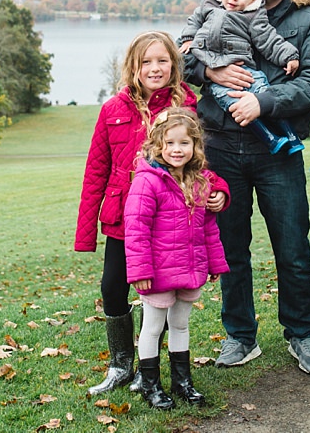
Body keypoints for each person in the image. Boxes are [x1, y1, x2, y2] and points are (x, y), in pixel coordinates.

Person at [183, 0, 310, 374]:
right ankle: (239, 336)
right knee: (232, 247)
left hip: (278, 149)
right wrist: (209, 69)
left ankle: (303, 335)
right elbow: (182, 53)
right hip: (221, 144)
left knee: (291, 246)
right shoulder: (219, 5)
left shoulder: (308, 21)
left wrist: (262, 103)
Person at [74, 31, 227, 396]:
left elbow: (199, 161)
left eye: (162, 61)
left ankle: (149, 370)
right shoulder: (113, 109)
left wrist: (219, 189)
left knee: (155, 294)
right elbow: (96, 171)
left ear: (174, 65)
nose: (155, 68)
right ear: (134, 66)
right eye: (147, 62)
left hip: (166, 221)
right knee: (113, 287)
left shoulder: (185, 106)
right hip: (121, 218)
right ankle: (120, 364)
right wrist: (85, 234)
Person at [124, 109, 230, 410]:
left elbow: (208, 227)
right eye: (169, 143)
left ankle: (182, 382)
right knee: (154, 327)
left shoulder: (200, 181)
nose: (176, 150)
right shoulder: (148, 181)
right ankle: (150, 384)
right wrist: (140, 270)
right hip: (156, 271)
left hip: (190, 267)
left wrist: (215, 263)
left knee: (181, 324)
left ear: (195, 146)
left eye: (184, 143)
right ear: (158, 145)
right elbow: (136, 229)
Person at [178, 0, 303, 154]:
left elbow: (268, 38)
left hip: (244, 69)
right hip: (213, 69)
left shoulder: (252, 16)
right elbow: (193, 23)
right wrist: (188, 39)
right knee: (234, 107)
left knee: (262, 91)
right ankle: (271, 139)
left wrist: (289, 56)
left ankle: (291, 136)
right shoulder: (208, 8)